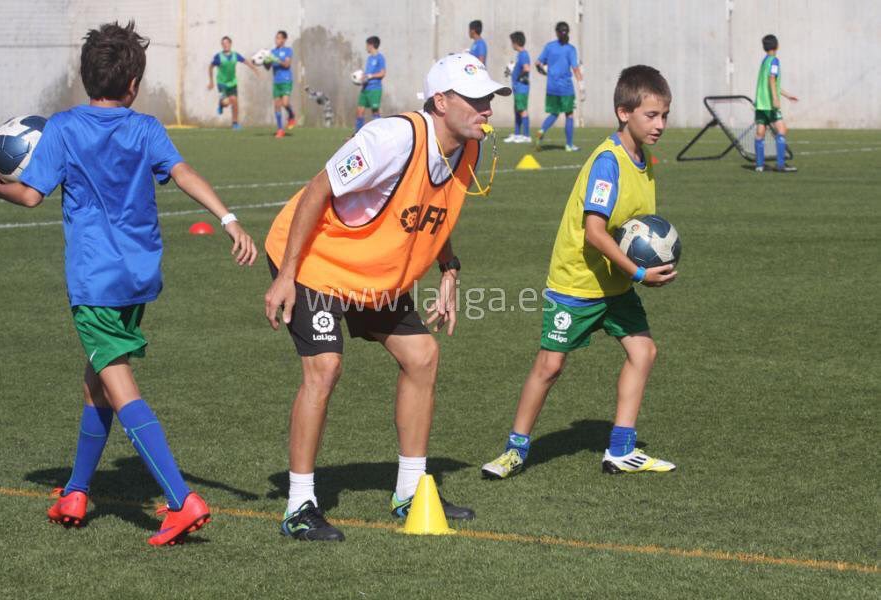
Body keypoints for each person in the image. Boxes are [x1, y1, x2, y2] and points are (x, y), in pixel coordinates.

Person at [0, 21, 258, 545]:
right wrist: (228, 220)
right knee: (98, 382)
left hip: (94, 282)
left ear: (85, 77)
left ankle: (181, 500)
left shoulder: (63, 128)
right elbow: (184, 173)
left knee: (118, 382)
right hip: (139, 277)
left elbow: (29, 196)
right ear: (133, 83)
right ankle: (77, 489)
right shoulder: (147, 128)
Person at [264, 53, 510, 541]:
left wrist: (449, 268)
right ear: (441, 102)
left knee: (422, 355)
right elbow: (316, 192)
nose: (487, 109)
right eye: (477, 99)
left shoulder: (470, 148)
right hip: (315, 263)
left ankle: (410, 492)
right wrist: (286, 275)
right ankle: (299, 505)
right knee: (326, 367)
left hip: (373, 275)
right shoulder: (391, 138)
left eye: (490, 99)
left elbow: (431, 212)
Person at [481, 65, 678, 481]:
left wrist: (640, 263)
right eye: (651, 115)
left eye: (664, 115)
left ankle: (621, 450)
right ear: (624, 113)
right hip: (578, 281)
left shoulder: (643, 158)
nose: (660, 124)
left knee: (643, 352)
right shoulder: (608, 162)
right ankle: (515, 450)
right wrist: (641, 274)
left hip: (615, 282)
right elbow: (594, 233)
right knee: (550, 366)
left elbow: (632, 226)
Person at [535, 22, 583, 152]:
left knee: (554, 113)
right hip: (566, 88)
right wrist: (582, 87)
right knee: (569, 115)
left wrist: (542, 70)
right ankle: (569, 145)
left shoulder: (549, 47)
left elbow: (538, 63)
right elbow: (575, 68)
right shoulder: (570, 49)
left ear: (556, 32)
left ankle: (541, 130)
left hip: (551, 88)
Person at [754, 34, 798, 173]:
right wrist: (775, 98)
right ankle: (780, 165)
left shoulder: (765, 61)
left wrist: (786, 95)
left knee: (760, 132)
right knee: (782, 130)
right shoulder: (774, 61)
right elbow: (772, 79)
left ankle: (759, 165)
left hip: (760, 103)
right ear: (777, 45)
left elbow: (770, 82)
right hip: (769, 104)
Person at [207, 35, 260, 130]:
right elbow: (210, 67)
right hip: (222, 83)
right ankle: (221, 104)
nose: (225, 45)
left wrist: (255, 69)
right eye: (223, 44)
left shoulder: (236, 55)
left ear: (230, 44)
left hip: (232, 83)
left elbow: (246, 62)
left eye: (227, 43)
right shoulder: (218, 57)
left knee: (235, 102)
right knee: (227, 103)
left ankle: (235, 123)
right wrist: (211, 81)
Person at [504, 31, 531, 143]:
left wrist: (518, 77)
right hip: (517, 87)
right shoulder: (520, 54)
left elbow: (526, 68)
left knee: (522, 109)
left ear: (516, 42)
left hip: (522, 87)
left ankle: (526, 135)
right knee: (517, 109)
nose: (511, 44)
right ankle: (517, 134)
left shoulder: (524, 54)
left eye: (512, 42)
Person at [355, 36, 386, 133]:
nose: (366, 47)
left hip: (375, 89)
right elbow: (368, 73)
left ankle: (379, 133)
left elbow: (383, 73)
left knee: (375, 111)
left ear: (371, 45)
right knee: (359, 111)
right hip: (365, 88)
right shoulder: (369, 58)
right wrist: (362, 78)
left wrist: (370, 76)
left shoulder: (380, 58)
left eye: (367, 45)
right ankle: (358, 134)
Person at [269, 30, 296, 138]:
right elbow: (268, 67)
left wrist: (276, 59)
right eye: (276, 38)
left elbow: (287, 64)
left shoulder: (288, 50)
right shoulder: (272, 52)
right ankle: (280, 129)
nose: (277, 40)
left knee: (285, 103)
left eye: (279, 38)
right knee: (277, 106)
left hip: (286, 80)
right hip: (276, 82)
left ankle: (291, 115)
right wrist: (265, 60)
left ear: (284, 39)